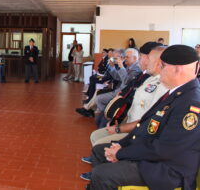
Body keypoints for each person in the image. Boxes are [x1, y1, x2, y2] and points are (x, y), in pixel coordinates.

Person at [84, 45, 200, 190]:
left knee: (102, 174)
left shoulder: (191, 104)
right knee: (99, 151)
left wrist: (121, 153)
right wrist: (122, 145)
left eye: (163, 66)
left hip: (166, 170)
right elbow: (145, 125)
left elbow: (165, 149)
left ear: (177, 69)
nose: (160, 69)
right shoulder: (175, 93)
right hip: (152, 154)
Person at [94, 48, 142, 127]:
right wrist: (112, 67)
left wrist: (121, 66)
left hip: (123, 93)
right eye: (125, 57)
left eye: (127, 57)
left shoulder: (137, 68)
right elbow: (118, 77)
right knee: (99, 99)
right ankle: (106, 115)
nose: (125, 59)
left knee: (99, 99)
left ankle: (107, 116)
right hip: (119, 90)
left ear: (135, 58)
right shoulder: (129, 66)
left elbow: (126, 81)